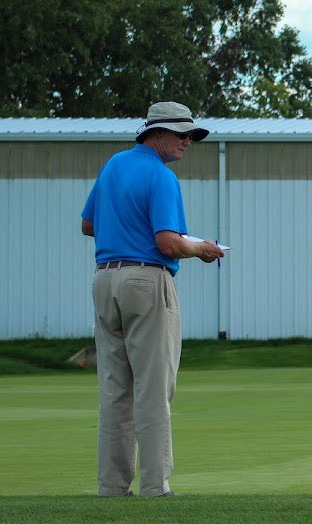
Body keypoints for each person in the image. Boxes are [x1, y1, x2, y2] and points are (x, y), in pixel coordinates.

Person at [81, 101, 224, 497]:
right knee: (153, 387)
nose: (187, 142)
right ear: (156, 134)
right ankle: (155, 486)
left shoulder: (114, 165)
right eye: (181, 134)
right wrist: (203, 249)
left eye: (190, 136)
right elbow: (168, 243)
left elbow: (88, 224)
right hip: (146, 280)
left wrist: (126, 229)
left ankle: (112, 486)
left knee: (115, 389)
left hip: (105, 279)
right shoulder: (162, 177)